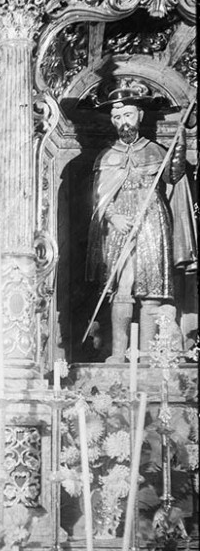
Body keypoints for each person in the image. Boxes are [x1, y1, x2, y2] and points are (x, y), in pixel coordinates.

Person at [86, 81, 187, 362]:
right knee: (121, 286)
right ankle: (118, 353)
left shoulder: (155, 150)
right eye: (117, 118)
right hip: (120, 224)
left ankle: (144, 355)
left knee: (151, 288)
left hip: (152, 220)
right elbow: (99, 198)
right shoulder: (107, 156)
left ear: (140, 116)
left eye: (127, 115)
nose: (122, 122)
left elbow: (173, 176)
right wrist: (113, 216)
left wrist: (181, 142)